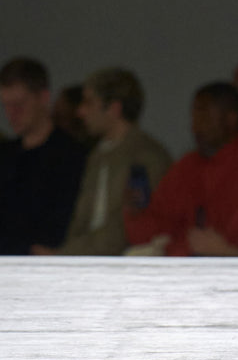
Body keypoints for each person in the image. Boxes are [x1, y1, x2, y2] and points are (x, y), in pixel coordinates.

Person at [124, 82, 238, 256]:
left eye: (205, 117)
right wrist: (134, 212)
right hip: (180, 264)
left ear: (231, 119)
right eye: (194, 117)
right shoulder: (187, 166)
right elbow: (153, 227)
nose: (196, 126)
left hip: (227, 268)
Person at [33, 68, 172, 256]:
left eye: (89, 102)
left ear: (114, 108)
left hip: (126, 264)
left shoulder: (146, 157)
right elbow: (81, 220)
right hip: (87, 260)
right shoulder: (97, 155)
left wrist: (65, 255)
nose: (81, 111)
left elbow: (126, 228)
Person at [0, 57, 86, 254]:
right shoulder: (5, 156)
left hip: (45, 263)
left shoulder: (71, 157)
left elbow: (65, 224)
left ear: (43, 97)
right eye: (6, 105)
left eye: (20, 104)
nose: (12, 113)